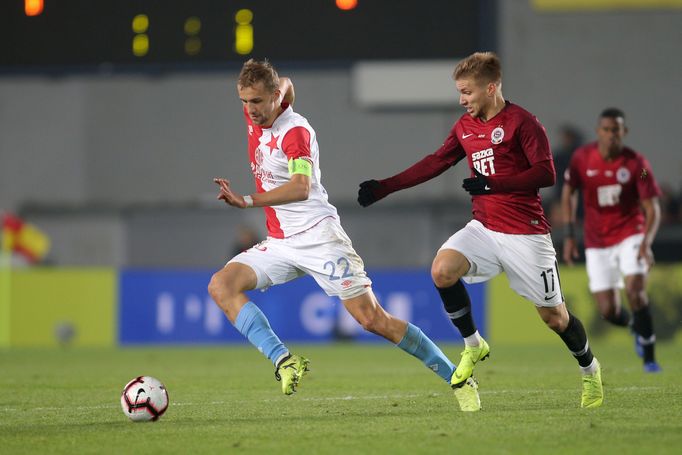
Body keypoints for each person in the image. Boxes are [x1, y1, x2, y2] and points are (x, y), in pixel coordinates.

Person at [207, 59, 481, 412]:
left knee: (373, 320)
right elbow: (286, 82)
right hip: (279, 243)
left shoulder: (295, 132)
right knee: (221, 286)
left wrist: (247, 201)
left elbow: (301, 187)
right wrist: (275, 90)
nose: (250, 110)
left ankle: (457, 378)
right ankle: (284, 361)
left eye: (257, 101)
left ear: (274, 97)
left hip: (319, 238)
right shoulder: (263, 108)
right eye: (244, 102)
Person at [357, 52, 603, 409]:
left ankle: (590, 370)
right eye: (459, 92)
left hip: (526, 233)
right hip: (484, 228)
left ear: (490, 88)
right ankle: (473, 344)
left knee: (555, 317)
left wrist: (494, 185)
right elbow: (436, 162)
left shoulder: (523, 123)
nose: (462, 100)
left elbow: (546, 174)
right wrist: (386, 186)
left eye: (467, 92)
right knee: (442, 270)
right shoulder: (464, 127)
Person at [561, 108, 662, 372]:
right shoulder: (582, 160)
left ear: (623, 132)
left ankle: (649, 357)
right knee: (608, 310)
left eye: (616, 130)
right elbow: (569, 191)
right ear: (598, 132)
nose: (611, 135)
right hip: (597, 241)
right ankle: (634, 327)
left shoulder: (637, 166)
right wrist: (570, 236)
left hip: (631, 233)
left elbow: (652, 207)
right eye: (606, 130)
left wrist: (646, 243)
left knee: (635, 290)